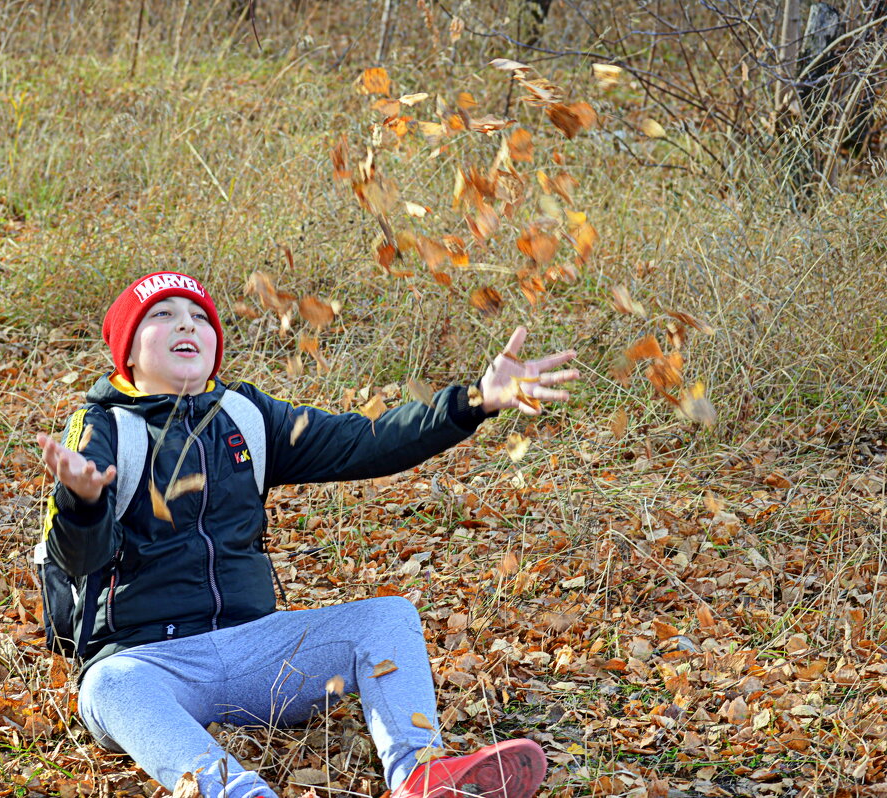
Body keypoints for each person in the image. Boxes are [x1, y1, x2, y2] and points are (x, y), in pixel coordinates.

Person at [36, 271, 579, 798]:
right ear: (128, 350)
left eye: (200, 317)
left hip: (258, 654)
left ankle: (421, 775)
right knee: (108, 686)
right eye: (162, 315)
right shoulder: (103, 426)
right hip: (151, 663)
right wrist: (82, 501)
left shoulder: (246, 416)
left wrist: (473, 401)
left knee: (388, 617)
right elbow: (78, 558)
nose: (186, 325)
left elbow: (363, 441)